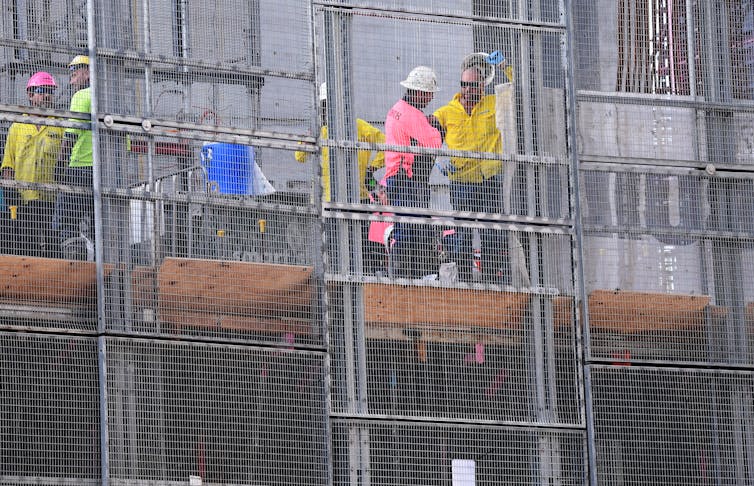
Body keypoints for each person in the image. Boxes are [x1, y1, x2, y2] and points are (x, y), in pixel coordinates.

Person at [296, 82, 387, 272]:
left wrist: (372, 167)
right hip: (334, 199)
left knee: (349, 248)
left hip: (349, 198)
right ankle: (343, 285)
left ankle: (347, 287)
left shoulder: (357, 127)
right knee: (343, 249)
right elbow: (300, 155)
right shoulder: (327, 130)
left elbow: (386, 144)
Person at [433, 52, 508, 282]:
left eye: (472, 85)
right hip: (462, 183)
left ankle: (492, 281)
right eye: (463, 84)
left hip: (489, 179)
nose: (467, 90)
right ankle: (464, 280)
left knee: (492, 233)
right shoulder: (448, 111)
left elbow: (518, 92)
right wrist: (438, 157)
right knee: (463, 234)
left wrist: (505, 66)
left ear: (482, 85)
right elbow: (428, 130)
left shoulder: (494, 103)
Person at [381, 66, 443, 278]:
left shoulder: (396, 108)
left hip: (395, 176)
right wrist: (437, 127)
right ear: (419, 92)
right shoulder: (413, 115)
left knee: (407, 228)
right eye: (429, 93)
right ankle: (407, 278)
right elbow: (434, 143)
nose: (431, 98)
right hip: (407, 179)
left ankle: (403, 277)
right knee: (412, 231)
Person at [1, 72, 64, 257]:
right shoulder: (18, 126)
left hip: (52, 199)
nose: (47, 95)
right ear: (30, 95)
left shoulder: (59, 124)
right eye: (42, 90)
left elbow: (66, 157)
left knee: (53, 248)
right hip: (25, 198)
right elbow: (8, 164)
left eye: (50, 91)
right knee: (28, 247)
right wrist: (10, 190)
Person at [54, 55, 94, 249]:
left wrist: (60, 164)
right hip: (107, 172)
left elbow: (71, 134)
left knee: (66, 218)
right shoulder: (112, 96)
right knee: (98, 220)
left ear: (87, 72)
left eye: (74, 73)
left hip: (80, 167)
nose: (71, 80)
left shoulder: (82, 96)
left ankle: (72, 262)